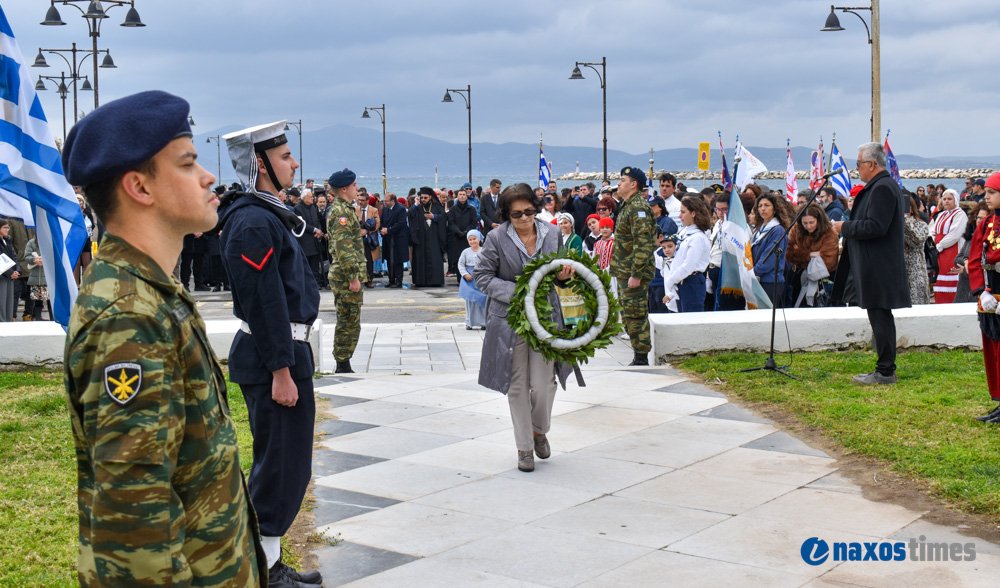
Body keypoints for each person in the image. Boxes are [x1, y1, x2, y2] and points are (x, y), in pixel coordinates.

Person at [61, 91, 267, 586]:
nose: (209, 176)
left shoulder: (152, 290)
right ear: (140, 187)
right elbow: (134, 518)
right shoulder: (127, 315)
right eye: (188, 162)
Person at [217, 119, 323, 586]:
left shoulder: (266, 213)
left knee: (288, 464)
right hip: (271, 359)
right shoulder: (254, 220)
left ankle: (271, 563)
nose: (294, 162)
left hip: (284, 354)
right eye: (284, 157)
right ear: (260, 164)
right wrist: (281, 369)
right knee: (278, 466)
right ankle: (261, 572)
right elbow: (264, 302)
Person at [475, 183, 583, 472]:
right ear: (506, 214)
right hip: (509, 320)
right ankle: (524, 448)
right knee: (517, 385)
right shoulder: (495, 238)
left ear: (537, 209)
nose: (524, 218)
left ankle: (539, 429)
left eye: (529, 212)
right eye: (516, 214)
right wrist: (519, 290)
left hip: (546, 317)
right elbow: (482, 277)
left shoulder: (553, 234)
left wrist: (562, 275)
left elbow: (560, 273)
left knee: (545, 383)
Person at [832, 142, 911, 386]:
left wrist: (843, 227)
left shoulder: (883, 188)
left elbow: (876, 226)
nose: (857, 169)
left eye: (858, 164)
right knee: (878, 315)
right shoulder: (879, 186)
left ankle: (886, 371)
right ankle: (884, 368)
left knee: (880, 315)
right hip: (874, 264)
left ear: (872, 164)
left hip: (879, 265)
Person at [611, 167, 658, 366]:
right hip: (624, 270)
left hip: (632, 271)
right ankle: (637, 353)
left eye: (622, 180)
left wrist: (636, 274)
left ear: (633, 184)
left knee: (636, 314)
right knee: (628, 314)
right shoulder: (627, 205)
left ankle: (641, 357)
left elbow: (644, 244)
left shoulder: (638, 208)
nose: (618, 183)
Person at [326, 169, 367, 373]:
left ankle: (344, 361)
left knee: (350, 319)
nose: (357, 189)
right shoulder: (341, 212)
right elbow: (344, 248)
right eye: (354, 185)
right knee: (348, 320)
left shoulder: (344, 209)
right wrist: (353, 277)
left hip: (345, 273)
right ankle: (342, 363)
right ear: (344, 189)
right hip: (345, 275)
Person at [968, 173, 1000, 422]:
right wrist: (981, 290)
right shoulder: (987, 222)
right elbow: (975, 257)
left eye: (991, 193)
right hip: (990, 295)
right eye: (986, 192)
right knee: (993, 351)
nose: (985, 197)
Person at [663, 196, 712, 312]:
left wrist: (671, 279)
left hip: (692, 281)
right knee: (681, 317)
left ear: (693, 213)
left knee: (691, 320)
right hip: (681, 281)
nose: (680, 216)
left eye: (683, 212)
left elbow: (689, 265)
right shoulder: (684, 233)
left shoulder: (697, 238)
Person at [785, 203, 838, 307]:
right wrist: (810, 254)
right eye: (805, 223)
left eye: (811, 222)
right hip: (799, 278)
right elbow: (788, 253)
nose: (808, 226)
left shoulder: (829, 232)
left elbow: (828, 262)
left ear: (818, 220)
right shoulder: (797, 228)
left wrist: (799, 252)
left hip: (823, 281)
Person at [751, 192, 790, 308]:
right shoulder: (759, 229)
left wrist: (753, 272)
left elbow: (769, 258)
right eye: (760, 206)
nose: (763, 208)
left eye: (767, 205)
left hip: (770, 281)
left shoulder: (777, 230)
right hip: (759, 280)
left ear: (775, 208)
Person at [932, 189, 968, 303]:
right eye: (945, 199)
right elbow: (932, 231)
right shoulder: (941, 215)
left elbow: (955, 234)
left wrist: (940, 245)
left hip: (952, 250)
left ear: (955, 200)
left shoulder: (960, 214)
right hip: (939, 252)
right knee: (940, 276)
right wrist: (933, 243)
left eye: (949, 199)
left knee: (952, 276)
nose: (946, 201)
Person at [408, 187, 447, 287]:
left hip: (434, 238)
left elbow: (444, 218)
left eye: (425, 198)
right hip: (421, 238)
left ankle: (436, 281)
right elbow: (410, 215)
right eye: (422, 198)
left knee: (434, 259)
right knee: (421, 259)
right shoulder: (418, 207)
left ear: (430, 197)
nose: (423, 200)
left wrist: (434, 217)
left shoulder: (437, 207)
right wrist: (416, 204)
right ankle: (421, 281)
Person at [954, 202, 991, 303]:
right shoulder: (971, 238)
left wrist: (966, 269)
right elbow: (957, 259)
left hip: (980, 292)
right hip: (964, 290)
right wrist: (966, 261)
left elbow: (985, 266)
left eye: (983, 218)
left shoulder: (991, 241)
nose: (979, 221)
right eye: (978, 217)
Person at [902, 195, 932, 305]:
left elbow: (917, 241)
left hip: (915, 273)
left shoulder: (921, 224)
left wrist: (904, 220)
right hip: (899, 272)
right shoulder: (892, 225)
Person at [294, 187, 326, 288]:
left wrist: (319, 231)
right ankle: (307, 285)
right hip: (305, 242)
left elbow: (318, 221)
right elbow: (300, 224)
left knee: (315, 266)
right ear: (304, 198)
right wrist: (314, 230)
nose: (313, 198)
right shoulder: (298, 208)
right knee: (306, 265)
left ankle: (315, 283)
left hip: (315, 241)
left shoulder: (313, 207)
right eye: (311, 197)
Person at [448, 188, 479, 282]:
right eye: (460, 194)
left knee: (469, 258)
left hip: (468, 238)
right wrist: (458, 232)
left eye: (464, 195)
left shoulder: (472, 209)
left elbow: (474, 222)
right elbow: (451, 222)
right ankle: (459, 279)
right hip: (456, 237)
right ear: (457, 196)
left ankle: (470, 277)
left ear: (466, 196)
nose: (462, 196)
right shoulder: (452, 210)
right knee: (458, 259)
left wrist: (466, 232)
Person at [458, 229, 487, 329]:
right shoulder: (465, 252)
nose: (472, 241)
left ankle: (483, 322)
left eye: (474, 239)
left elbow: (488, 264)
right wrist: (465, 274)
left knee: (483, 299)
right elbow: (461, 264)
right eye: (470, 240)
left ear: (478, 239)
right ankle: (469, 322)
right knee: (470, 301)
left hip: (480, 278)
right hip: (469, 280)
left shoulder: (484, 251)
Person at [380, 191, 409, 288]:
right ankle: (391, 279)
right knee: (389, 259)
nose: (385, 203)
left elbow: (401, 223)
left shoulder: (400, 209)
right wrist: (382, 229)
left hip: (397, 239)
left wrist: (389, 230)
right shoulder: (385, 209)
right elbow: (382, 221)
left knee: (397, 260)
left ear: (392, 201)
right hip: (387, 239)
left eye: (386, 201)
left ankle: (398, 280)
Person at [22, 237, 52, 320]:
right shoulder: (32, 242)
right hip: (36, 276)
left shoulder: (51, 240)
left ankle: (53, 319)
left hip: (49, 275)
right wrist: (34, 260)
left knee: (50, 299)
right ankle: (38, 318)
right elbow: (26, 256)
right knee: (37, 299)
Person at [355, 191, 381, 288]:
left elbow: (378, 223)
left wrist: (367, 231)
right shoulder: (355, 210)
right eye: (359, 200)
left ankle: (369, 280)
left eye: (362, 200)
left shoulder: (373, 210)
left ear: (367, 201)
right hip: (358, 239)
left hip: (369, 239)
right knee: (358, 260)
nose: (360, 202)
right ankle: (360, 279)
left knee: (369, 260)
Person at [649, 234, 676, 313]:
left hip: (663, 288)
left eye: (670, 246)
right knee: (653, 310)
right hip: (652, 284)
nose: (667, 250)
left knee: (663, 311)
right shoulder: (660, 255)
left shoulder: (676, 261)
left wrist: (671, 294)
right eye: (664, 248)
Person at [0, 219, 21, 321]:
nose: (7, 230)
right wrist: (10, 273)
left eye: (8, 227)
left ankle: (8, 321)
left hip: (10, 276)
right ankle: (2, 322)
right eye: (5, 227)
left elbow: (14, 257)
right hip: (2, 276)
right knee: (2, 301)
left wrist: (17, 270)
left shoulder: (7, 240)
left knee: (9, 301)